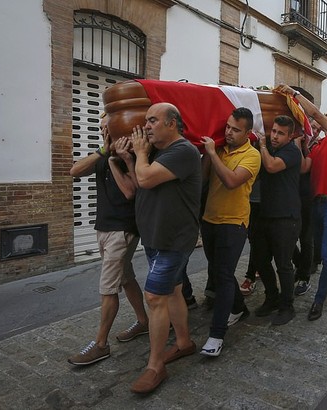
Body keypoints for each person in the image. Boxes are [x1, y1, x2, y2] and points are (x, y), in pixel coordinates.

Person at [129, 102, 202, 394]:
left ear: (172, 123)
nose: (146, 126)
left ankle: (155, 366)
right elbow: (141, 179)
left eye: (153, 120)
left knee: (154, 296)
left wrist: (140, 153)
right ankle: (184, 343)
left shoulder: (182, 151)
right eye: (146, 120)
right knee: (172, 291)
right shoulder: (160, 153)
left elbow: (144, 178)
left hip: (173, 240)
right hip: (156, 237)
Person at [68, 115, 149, 366]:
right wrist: (104, 151)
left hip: (122, 229)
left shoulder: (129, 155)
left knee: (108, 286)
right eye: (102, 125)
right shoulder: (103, 154)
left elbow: (130, 192)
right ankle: (144, 322)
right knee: (125, 278)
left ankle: (101, 344)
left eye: (108, 124)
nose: (103, 128)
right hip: (103, 227)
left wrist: (117, 157)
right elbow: (74, 171)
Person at [276, 84, 327, 322]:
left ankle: (319, 301)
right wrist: (300, 144)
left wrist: (295, 95)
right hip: (318, 204)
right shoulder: (318, 145)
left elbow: (315, 115)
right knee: (323, 253)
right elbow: (305, 167)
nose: (322, 118)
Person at [200, 107, 261, 356]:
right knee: (217, 270)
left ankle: (216, 335)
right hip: (209, 219)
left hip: (234, 222)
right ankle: (239, 308)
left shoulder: (252, 155)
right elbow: (203, 178)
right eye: (227, 127)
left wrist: (212, 154)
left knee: (223, 274)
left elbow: (232, 181)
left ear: (248, 133)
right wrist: (208, 154)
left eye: (236, 129)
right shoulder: (219, 148)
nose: (229, 132)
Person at [253, 115, 302, 325]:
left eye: (280, 133)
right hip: (264, 214)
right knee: (260, 260)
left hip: (285, 217)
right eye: (273, 131)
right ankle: (271, 297)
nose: (275, 136)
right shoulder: (270, 149)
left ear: (290, 136)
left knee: (283, 264)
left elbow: (272, 166)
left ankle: (287, 305)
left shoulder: (291, 151)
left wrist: (262, 145)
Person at [293, 116, 321, 296]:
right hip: (292, 196)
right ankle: (301, 264)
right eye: (312, 127)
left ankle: (304, 274)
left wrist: (299, 145)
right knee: (288, 239)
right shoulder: (305, 144)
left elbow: (302, 167)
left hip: (308, 198)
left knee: (306, 238)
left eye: (318, 129)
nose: (315, 131)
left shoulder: (317, 147)